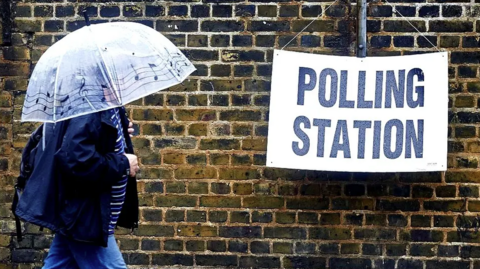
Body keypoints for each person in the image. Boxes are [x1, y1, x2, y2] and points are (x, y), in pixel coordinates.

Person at [15, 105, 140, 269]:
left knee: (59, 264)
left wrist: (119, 128)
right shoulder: (88, 108)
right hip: (85, 216)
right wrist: (124, 163)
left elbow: (94, 143)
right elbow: (76, 159)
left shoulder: (108, 108)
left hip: (83, 215)